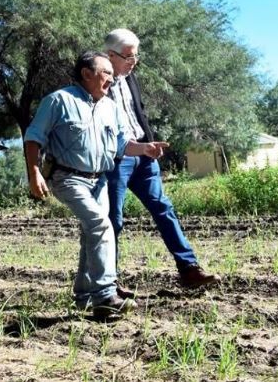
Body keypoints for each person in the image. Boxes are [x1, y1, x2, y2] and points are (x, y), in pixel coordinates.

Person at [25, 51, 170, 318]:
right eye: (107, 73)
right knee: (101, 225)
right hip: (67, 178)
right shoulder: (59, 100)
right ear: (86, 74)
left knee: (91, 232)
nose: (112, 80)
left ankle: (83, 296)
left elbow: (122, 145)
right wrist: (34, 173)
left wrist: (145, 148)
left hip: (99, 180)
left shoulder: (110, 108)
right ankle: (105, 295)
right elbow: (33, 137)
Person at [103, 28, 221, 291]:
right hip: (116, 160)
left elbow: (138, 114)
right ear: (110, 56)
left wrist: (149, 143)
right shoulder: (96, 83)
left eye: (136, 56)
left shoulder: (131, 79)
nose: (134, 62)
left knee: (163, 209)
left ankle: (189, 270)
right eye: (128, 57)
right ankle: (108, 283)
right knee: (113, 220)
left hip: (144, 157)